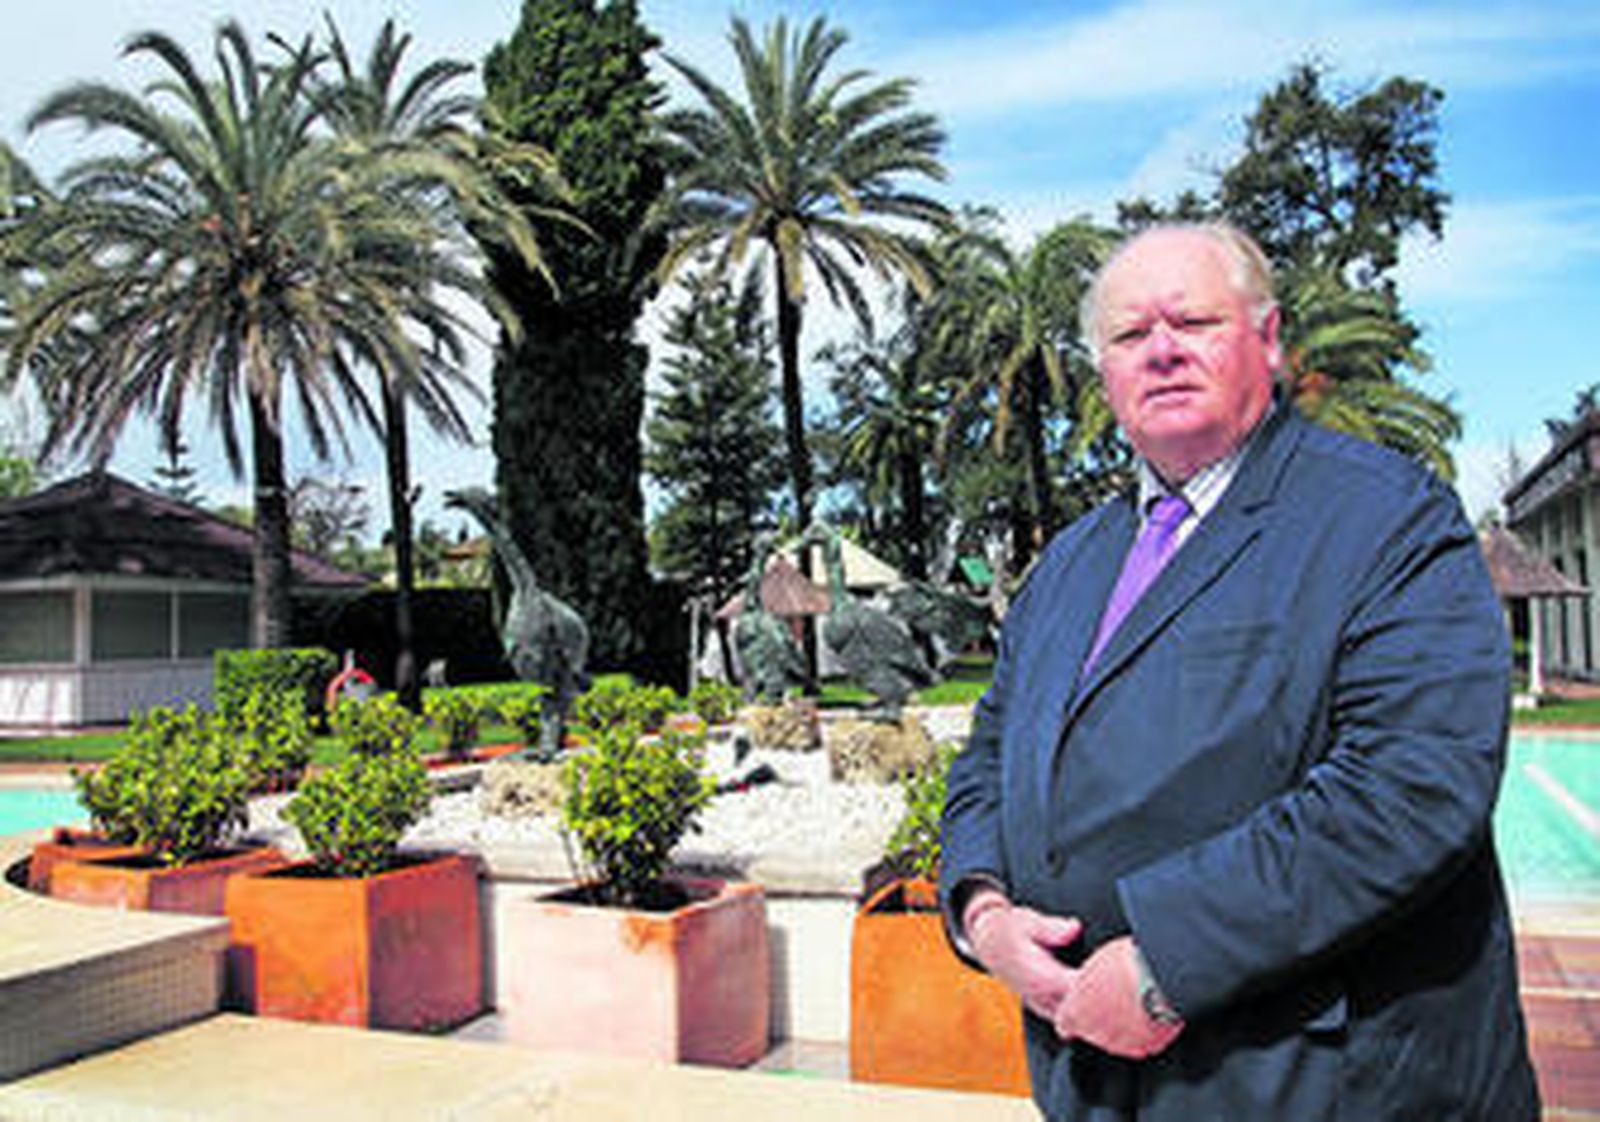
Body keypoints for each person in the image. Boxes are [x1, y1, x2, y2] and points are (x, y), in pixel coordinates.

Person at [939, 223, 1539, 1120]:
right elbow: (990, 753)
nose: (1162, 351)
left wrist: (1163, 963)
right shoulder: (1068, 564)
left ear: (1268, 339)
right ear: (1103, 373)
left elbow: (1412, 783)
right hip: (1095, 1081)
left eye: (1193, 322)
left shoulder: (1387, 519)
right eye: (1130, 334)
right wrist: (983, 910)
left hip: (1323, 1087)